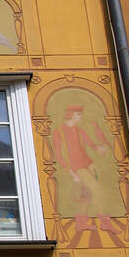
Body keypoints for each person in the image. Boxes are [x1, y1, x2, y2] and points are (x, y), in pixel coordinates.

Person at [50, 103, 119, 245]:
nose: (80, 117)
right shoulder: (59, 132)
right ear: (71, 115)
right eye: (78, 114)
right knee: (97, 190)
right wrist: (70, 171)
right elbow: (58, 155)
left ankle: (80, 223)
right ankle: (105, 222)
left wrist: (98, 148)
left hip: (88, 164)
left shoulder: (79, 130)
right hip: (76, 167)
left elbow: (90, 144)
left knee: (86, 194)